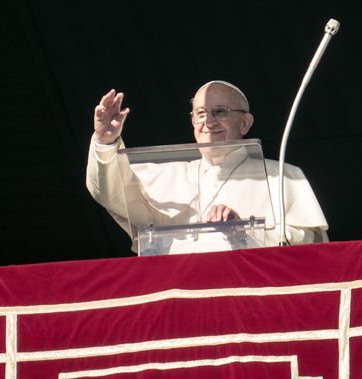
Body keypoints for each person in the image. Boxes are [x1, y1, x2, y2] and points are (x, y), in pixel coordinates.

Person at [86, 80, 328, 252]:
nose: (208, 121)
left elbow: (307, 245)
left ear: (245, 123)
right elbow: (112, 194)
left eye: (220, 112)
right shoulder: (169, 174)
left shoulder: (283, 176)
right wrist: (106, 142)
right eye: (200, 113)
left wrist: (244, 231)